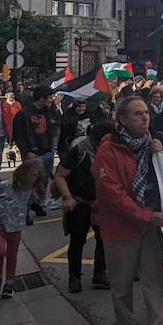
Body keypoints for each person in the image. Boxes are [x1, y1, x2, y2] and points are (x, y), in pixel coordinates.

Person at [94, 96, 163, 325]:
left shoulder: (151, 145)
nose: (145, 118)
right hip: (121, 227)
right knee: (122, 282)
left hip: (148, 224)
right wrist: (145, 216)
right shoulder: (108, 151)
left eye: (146, 113)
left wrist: (162, 155)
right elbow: (113, 195)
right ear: (122, 120)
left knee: (154, 278)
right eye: (137, 114)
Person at [0, 157, 46, 298]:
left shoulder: (30, 191)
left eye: (36, 176)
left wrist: (41, 190)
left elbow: (40, 201)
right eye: (31, 175)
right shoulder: (4, 187)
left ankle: (9, 283)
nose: (32, 179)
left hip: (16, 227)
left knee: (12, 255)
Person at [53, 120, 111, 294]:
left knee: (103, 239)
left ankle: (100, 273)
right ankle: (74, 277)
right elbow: (60, 175)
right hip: (79, 201)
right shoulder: (80, 150)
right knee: (77, 240)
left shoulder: (110, 151)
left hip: (101, 203)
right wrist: (67, 197)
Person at [13, 85, 60, 177]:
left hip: (48, 152)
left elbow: (56, 130)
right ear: (42, 98)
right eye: (50, 97)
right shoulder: (23, 114)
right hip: (32, 153)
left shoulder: (52, 112)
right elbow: (18, 136)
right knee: (31, 181)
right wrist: (26, 152)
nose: (51, 100)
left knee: (43, 181)